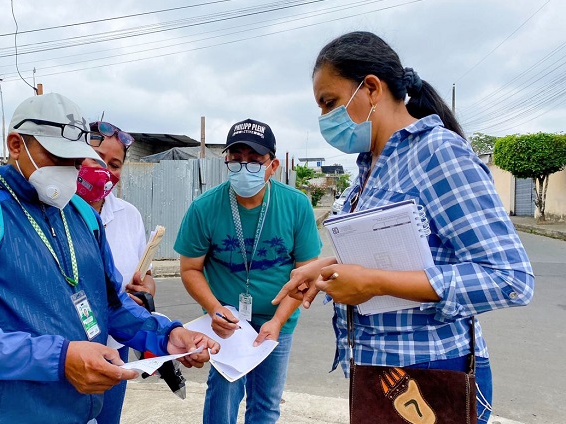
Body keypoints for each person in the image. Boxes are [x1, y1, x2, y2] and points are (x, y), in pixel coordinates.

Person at [0, 93, 218, 424]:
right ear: (15, 145)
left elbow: (110, 305)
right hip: (3, 414)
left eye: (75, 160)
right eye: (57, 156)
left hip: (83, 411)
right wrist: (60, 358)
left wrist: (166, 335)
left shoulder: (82, 215)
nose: (69, 170)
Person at [272, 31, 534, 424]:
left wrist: (374, 283)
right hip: (376, 371)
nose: (325, 118)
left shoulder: (437, 152)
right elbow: (397, 249)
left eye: (329, 103)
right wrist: (327, 267)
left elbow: (509, 278)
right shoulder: (367, 168)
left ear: (372, 88)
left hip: (431, 372)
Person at [174, 118, 321, 424]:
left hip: (276, 322)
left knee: (265, 404)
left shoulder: (296, 206)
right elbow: (190, 269)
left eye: (254, 161)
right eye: (236, 160)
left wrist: (279, 321)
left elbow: (305, 273)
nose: (244, 168)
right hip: (225, 322)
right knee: (222, 396)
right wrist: (215, 309)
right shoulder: (204, 208)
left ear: (273, 165)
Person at [75, 120, 155, 423]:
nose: (104, 169)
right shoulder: (51, 213)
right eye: (95, 159)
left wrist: (145, 293)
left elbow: (143, 276)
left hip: (114, 350)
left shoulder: (128, 216)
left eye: (114, 164)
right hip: (65, 353)